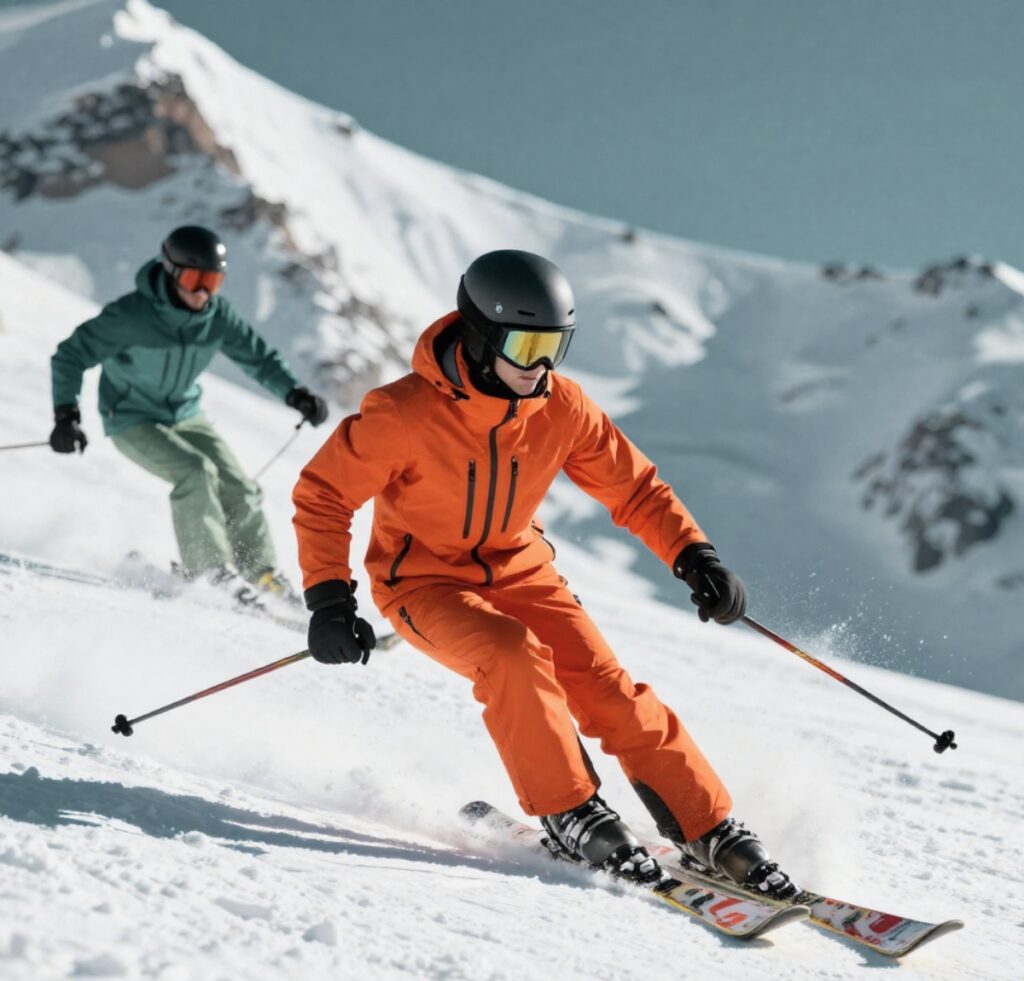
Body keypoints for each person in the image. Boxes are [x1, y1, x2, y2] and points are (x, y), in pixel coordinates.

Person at [292, 250, 797, 897]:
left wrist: (694, 554)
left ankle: (709, 826)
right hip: (422, 583)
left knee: (608, 690)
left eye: (554, 348)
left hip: (522, 570)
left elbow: (634, 487)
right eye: (525, 347)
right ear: (481, 337)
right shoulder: (404, 413)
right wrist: (330, 599)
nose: (540, 367)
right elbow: (324, 494)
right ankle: (569, 812)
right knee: (510, 653)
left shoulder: (562, 406)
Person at [50, 225, 329, 602]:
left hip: (186, 414)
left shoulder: (217, 316)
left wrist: (295, 393)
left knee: (240, 487)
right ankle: (210, 571)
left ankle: (262, 575)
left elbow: (259, 358)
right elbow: (71, 355)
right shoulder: (131, 316)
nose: (202, 293)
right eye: (194, 280)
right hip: (131, 418)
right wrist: (66, 415)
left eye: (212, 282)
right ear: (170, 271)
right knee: (195, 472)